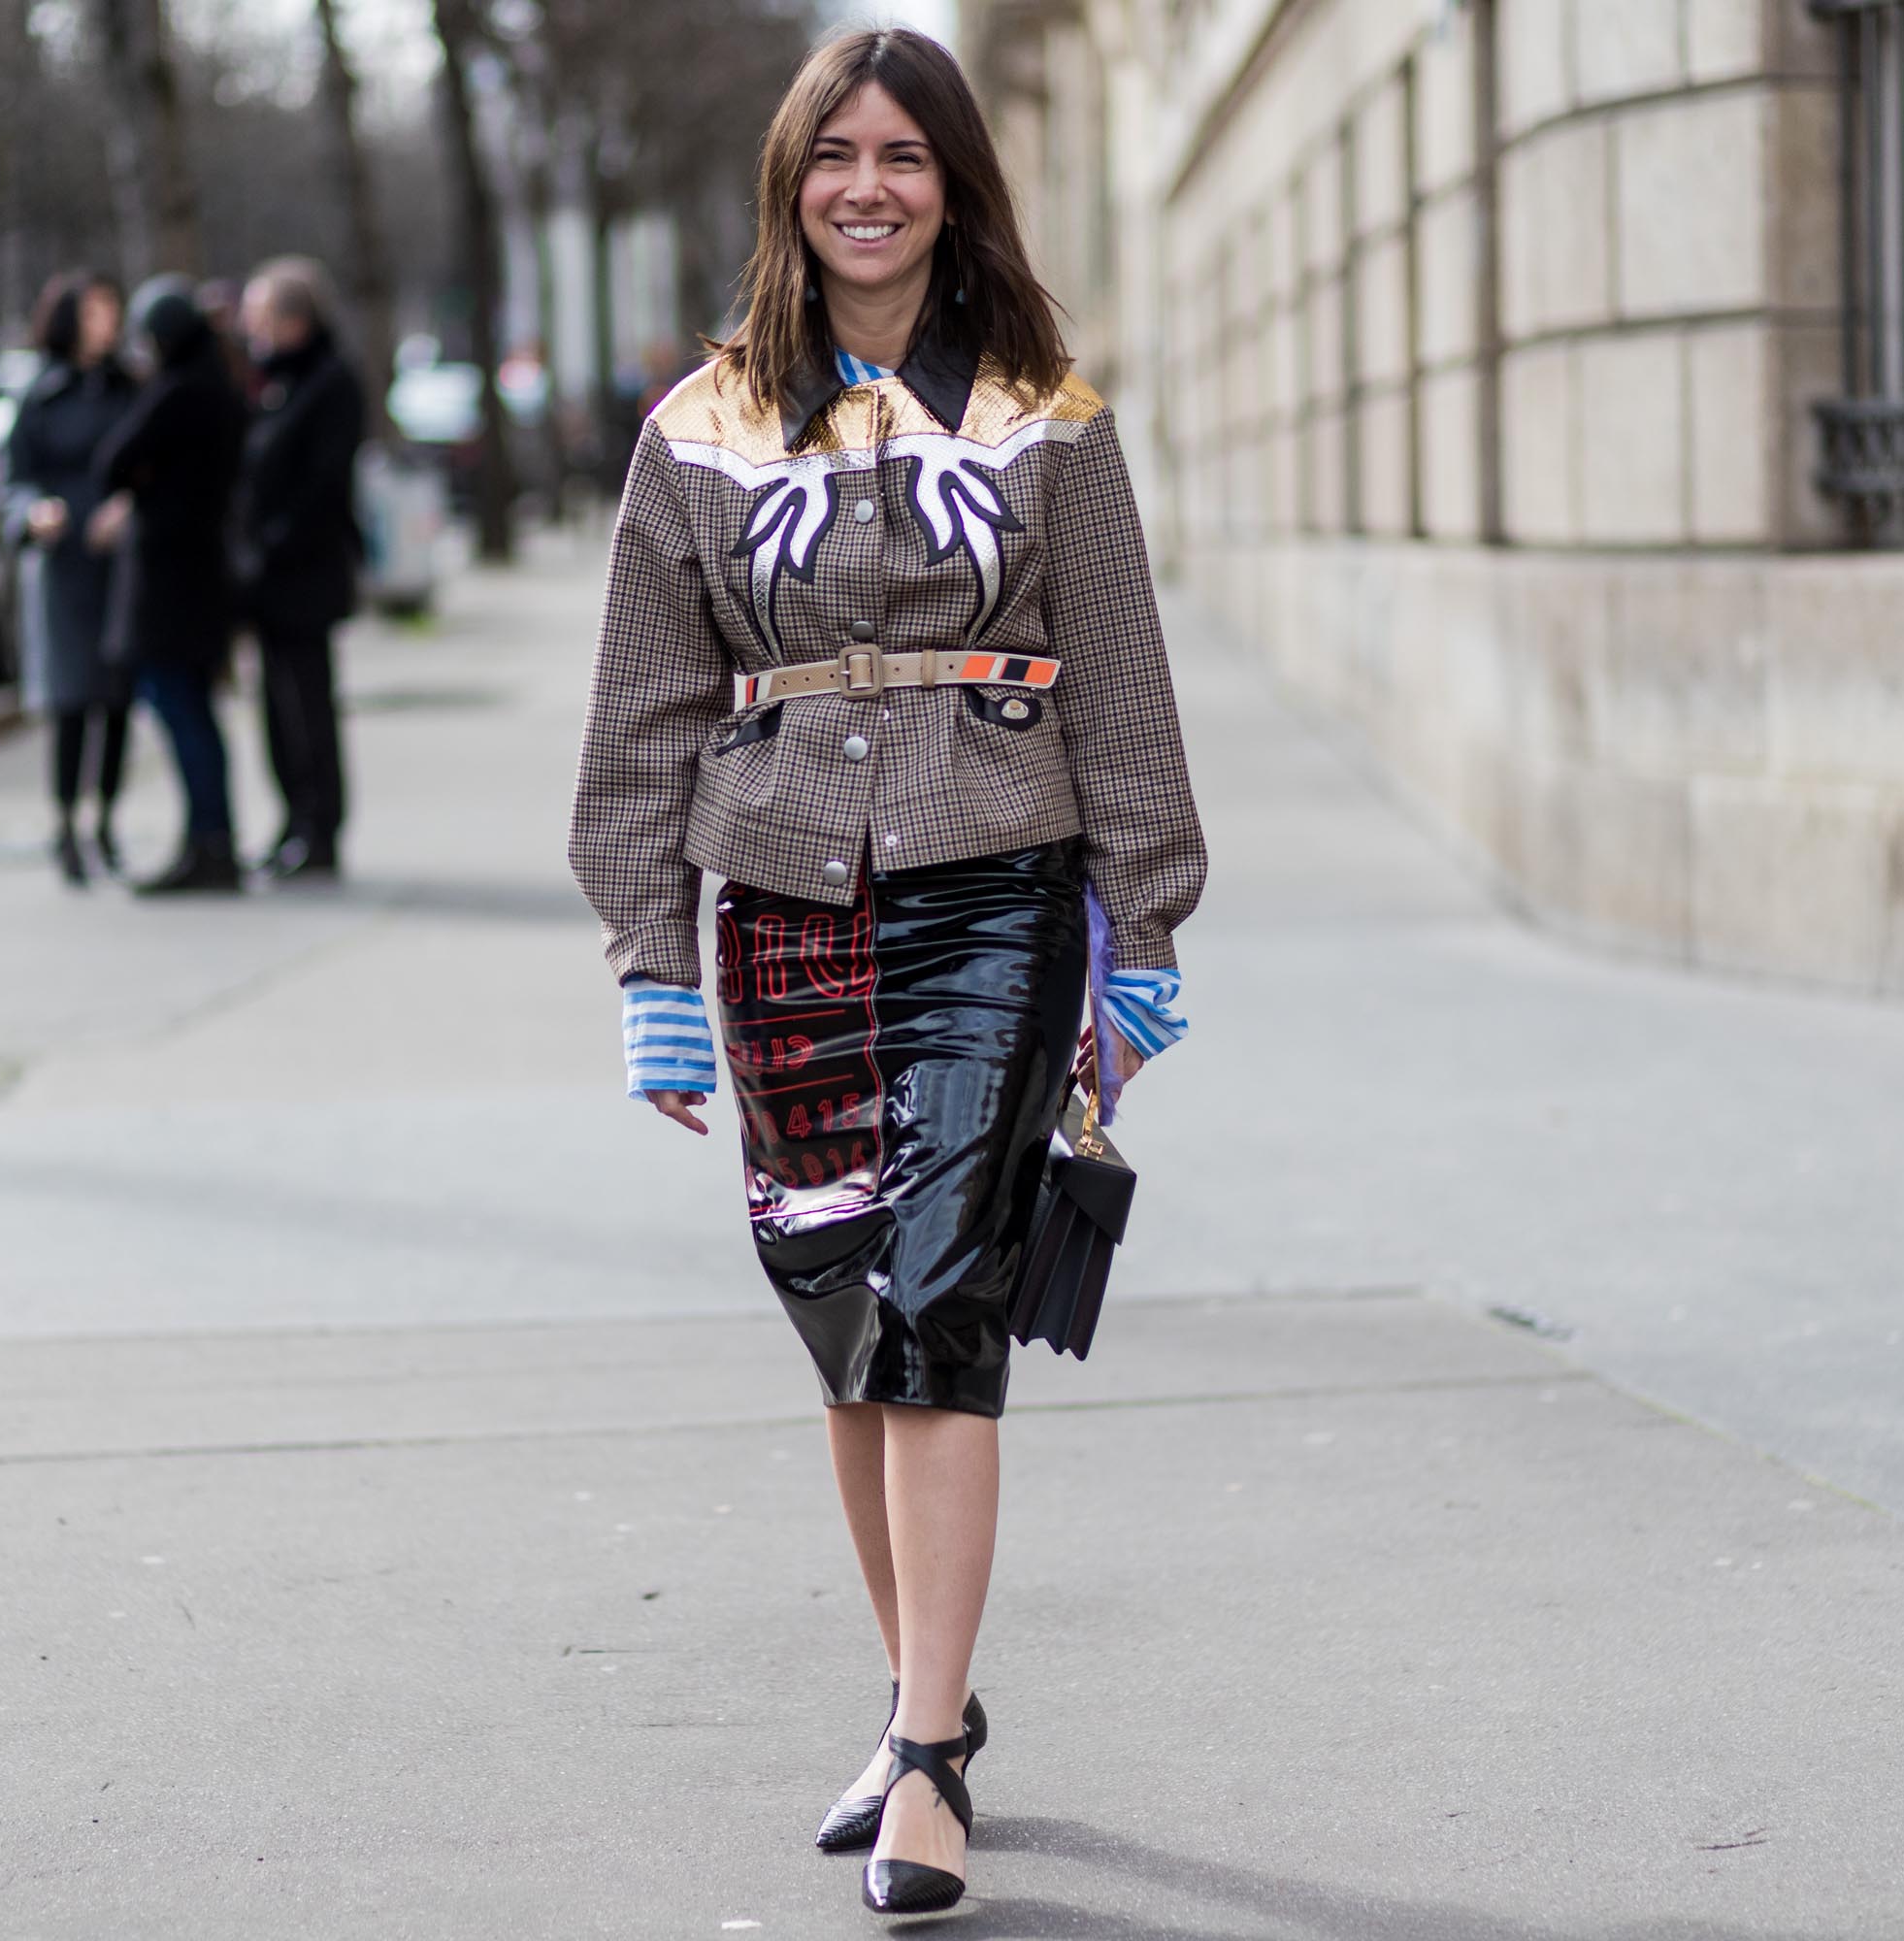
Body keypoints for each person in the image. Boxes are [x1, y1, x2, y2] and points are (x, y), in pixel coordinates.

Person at [567, 26, 1204, 1920]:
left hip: (992, 879)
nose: (868, 184)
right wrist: (648, 958)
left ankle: (928, 1756)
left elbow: (1124, 674)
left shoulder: (1042, 412)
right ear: (791, 180)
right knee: (841, 1299)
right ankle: (926, 1687)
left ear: (955, 184)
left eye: (905, 154)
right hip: (776, 896)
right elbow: (641, 712)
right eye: (835, 151)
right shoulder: (702, 423)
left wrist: (1143, 927)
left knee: (940, 1293)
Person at [93, 277, 249, 896]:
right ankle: (211, 839)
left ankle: (210, 841)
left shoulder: (181, 393)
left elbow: (112, 459)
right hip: (199, 574)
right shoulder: (218, 389)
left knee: (181, 708)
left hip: (170, 581)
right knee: (192, 711)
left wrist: (142, 481)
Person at [0, 270, 140, 885]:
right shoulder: (39, 397)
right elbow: (14, 478)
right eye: (92, 312)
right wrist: (33, 513)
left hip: (119, 560)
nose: (103, 323)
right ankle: (65, 824)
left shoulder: (130, 389)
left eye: (110, 311)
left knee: (116, 700)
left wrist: (130, 506)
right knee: (70, 699)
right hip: (64, 565)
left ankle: (107, 818)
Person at [234, 257, 368, 880]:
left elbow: (321, 481)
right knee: (274, 707)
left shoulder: (330, 381)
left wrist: (275, 543)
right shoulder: (270, 380)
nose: (248, 327)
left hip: (304, 572)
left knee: (307, 705)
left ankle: (320, 828)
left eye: (258, 315)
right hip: (269, 572)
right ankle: (293, 820)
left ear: (292, 320)